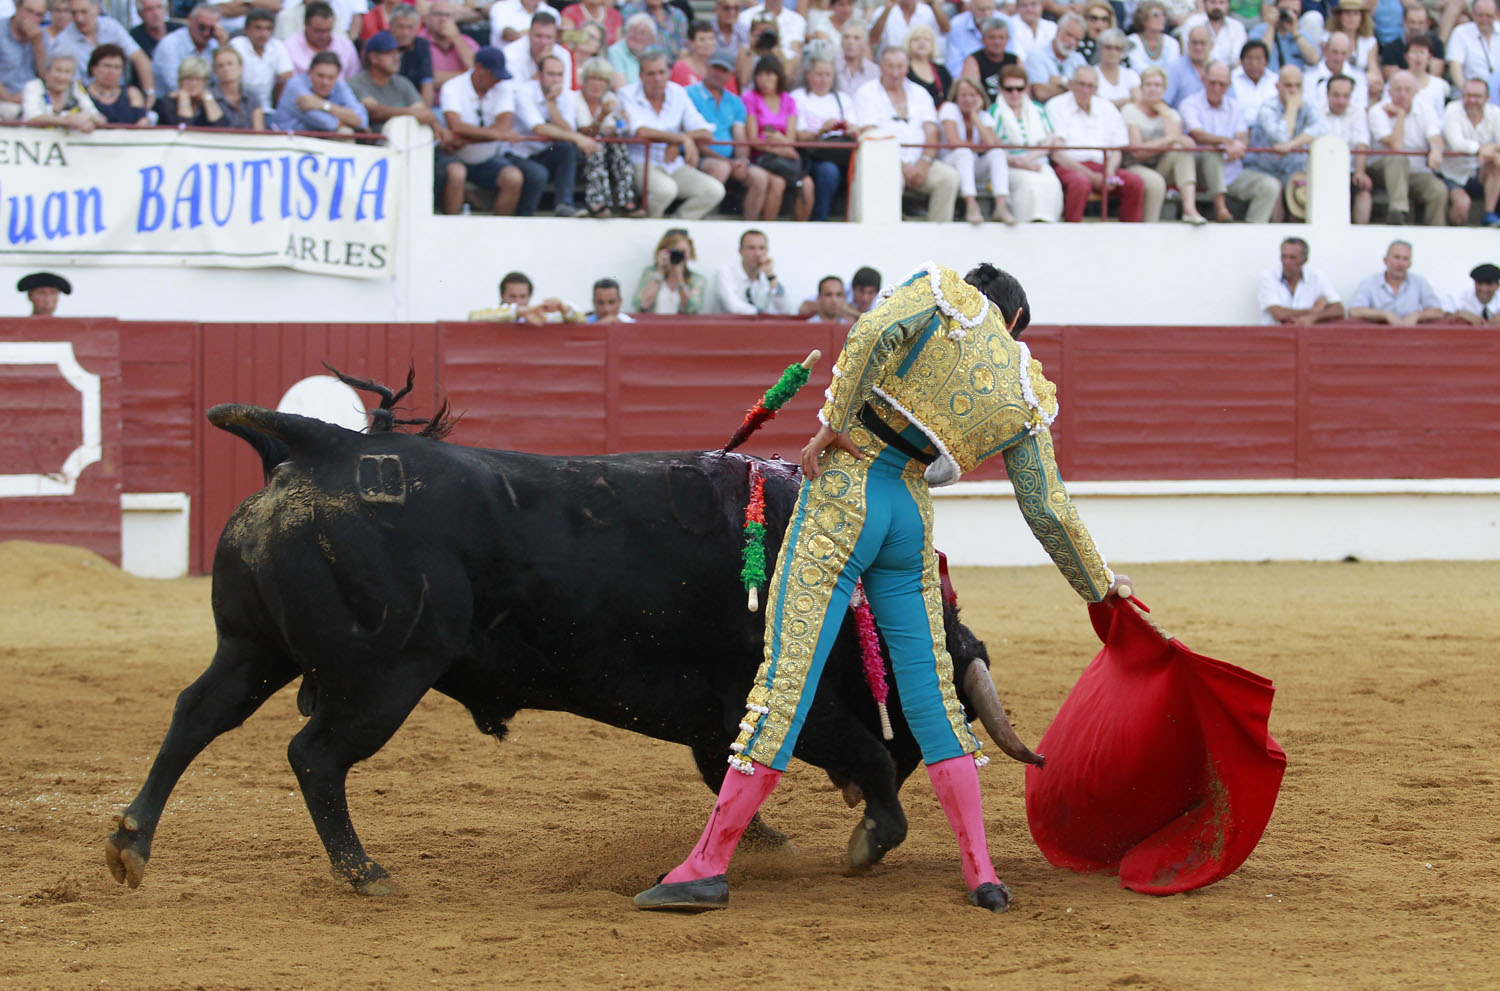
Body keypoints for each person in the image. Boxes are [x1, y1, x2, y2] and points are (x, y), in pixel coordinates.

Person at [633, 260, 1130, 914]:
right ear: (1014, 321)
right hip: (909, 515)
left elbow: (870, 332)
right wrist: (1099, 583)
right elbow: (1047, 508)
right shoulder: (1025, 387)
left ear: (977, 294)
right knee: (934, 700)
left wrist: (834, 420)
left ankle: (706, 866)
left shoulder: (941, 293)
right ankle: (981, 872)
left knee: (784, 683)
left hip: (846, 492)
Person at [856, 44, 958, 222]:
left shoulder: (920, 93)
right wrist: (902, 167)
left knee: (949, 178)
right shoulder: (866, 92)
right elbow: (869, 133)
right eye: (890, 66)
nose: (895, 73)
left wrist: (924, 163)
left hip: (920, 162)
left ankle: (940, 234)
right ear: (881, 66)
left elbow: (932, 132)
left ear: (907, 67)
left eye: (900, 67)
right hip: (884, 163)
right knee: (891, 180)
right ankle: (889, 232)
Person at [623, 48, 726, 217]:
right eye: (651, 74)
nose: (657, 78)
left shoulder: (677, 92)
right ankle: (653, 225)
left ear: (669, 73)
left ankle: (676, 225)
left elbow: (706, 132)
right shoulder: (627, 93)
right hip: (640, 162)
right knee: (665, 190)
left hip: (672, 164)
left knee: (714, 191)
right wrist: (681, 139)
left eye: (661, 72)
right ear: (641, 75)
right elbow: (641, 132)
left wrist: (679, 140)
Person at [1182, 60, 1281, 222]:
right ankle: (1221, 208)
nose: (1216, 88)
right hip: (1199, 173)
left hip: (1232, 171)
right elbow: (1197, 134)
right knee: (1210, 154)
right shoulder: (1190, 103)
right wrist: (1226, 142)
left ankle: (1254, 230)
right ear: (1204, 80)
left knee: (1270, 186)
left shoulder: (1234, 106)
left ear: (1228, 85)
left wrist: (1239, 145)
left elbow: (1242, 135)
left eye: (1222, 84)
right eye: (1212, 82)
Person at [1047, 65, 1146, 222]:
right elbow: (1057, 153)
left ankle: (1130, 233)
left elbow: (1117, 149)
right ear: (1071, 84)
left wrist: (1109, 173)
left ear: (1096, 88)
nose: (1085, 90)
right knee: (1080, 183)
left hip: (1104, 167)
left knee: (1135, 183)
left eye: (1090, 86)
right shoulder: (1056, 105)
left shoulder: (1107, 107)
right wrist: (1092, 177)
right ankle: (1071, 231)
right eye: (1081, 84)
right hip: (1070, 166)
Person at [440, 46, 527, 214]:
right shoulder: (453, 87)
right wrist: (496, 134)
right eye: (494, 75)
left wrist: (465, 140)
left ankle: (499, 226)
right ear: (479, 68)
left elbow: (503, 126)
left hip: (484, 157)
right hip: (455, 156)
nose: (497, 81)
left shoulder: (503, 87)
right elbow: (456, 125)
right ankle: (451, 225)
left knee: (513, 178)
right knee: (456, 173)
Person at [1122, 65, 1205, 222]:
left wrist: (1165, 114)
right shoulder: (1130, 110)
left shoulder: (1171, 114)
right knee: (1155, 182)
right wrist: (1168, 139)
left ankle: (1189, 209)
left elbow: (1179, 142)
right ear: (1141, 88)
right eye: (1148, 84)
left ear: (1164, 89)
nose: (1152, 89)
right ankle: (1150, 226)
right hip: (1135, 165)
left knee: (1181, 151)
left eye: (1157, 85)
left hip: (1162, 166)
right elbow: (1137, 151)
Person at [510, 52, 587, 216]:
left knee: (567, 149)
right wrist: (578, 137)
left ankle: (564, 204)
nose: (556, 79)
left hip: (546, 153)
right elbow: (539, 128)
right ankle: (524, 216)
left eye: (560, 74)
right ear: (539, 75)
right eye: (551, 74)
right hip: (520, 154)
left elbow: (567, 130)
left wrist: (551, 103)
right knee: (538, 173)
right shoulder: (524, 92)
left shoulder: (566, 94)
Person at [1367, 69, 1446, 225]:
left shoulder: (1426, 109)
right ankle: (1398, 213)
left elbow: (1435, 137)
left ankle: (1437, 230)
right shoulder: (1377, 111)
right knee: (1398, 158)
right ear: (1389, 92)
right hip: (1381, 171)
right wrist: (1401, 115)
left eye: (1407, 90)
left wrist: (1436, 151)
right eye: (1398, 89)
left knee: (1438, 189)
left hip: (1415, 172)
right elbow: (1396, 146)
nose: (1403, 94)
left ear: (1416, 92)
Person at [1243, 64, 1321, 215]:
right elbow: (1282, 136)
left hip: (1293, 169)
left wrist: (1292, 144)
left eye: (1298, 86)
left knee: (1301, 191)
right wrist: (1292, 108)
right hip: (1262, 169)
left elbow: (1321, 129)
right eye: (1288, 85)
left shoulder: (1307, 105)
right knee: (1274, 187)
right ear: (1277, 86)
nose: (1293, 90)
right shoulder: (1268, 107)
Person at [991, 62, 1064, 221]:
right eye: (1009, 89)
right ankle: (1027, 224)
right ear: (1001, 89)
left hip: (1037, 162)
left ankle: (1048, 223)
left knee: (1051, 183)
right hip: (1010, 165)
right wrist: (1019, 163)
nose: (1015, 93)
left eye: (1019, 88)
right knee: (1029, 183)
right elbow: (994, 145)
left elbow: (1048, 140)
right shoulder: (994, 112)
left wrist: (1027, 160)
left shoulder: (1038, 110)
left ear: (1026, 89)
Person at [940, 74, 1014, 223]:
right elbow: (954, 142)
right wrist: (979, 147)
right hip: (950, 164)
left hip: (972, 166)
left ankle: (1001, 206)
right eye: (963, 95)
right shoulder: (949, 109)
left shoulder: (983, 116)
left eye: (973, 95)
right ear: (956, 97)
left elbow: (990, 144)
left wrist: (974, 116)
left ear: (980, 97)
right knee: (963, 152)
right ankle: (971, 205)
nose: (968, 99)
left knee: (997, 153)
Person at [744, 53, 811, 219]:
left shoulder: (788, 100)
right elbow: (753, 139)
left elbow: (790, 138)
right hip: (760, 157)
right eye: (760, 74)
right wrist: (783, 149)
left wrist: (781, 141)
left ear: (778, 76)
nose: (763, 79)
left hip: (783, 158)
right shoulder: (750, 98)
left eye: (768, 74)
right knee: (777, 183)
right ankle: (764, 227)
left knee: (808, 185)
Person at [577, 55, 644, 216]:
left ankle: (627, 200)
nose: (597, 84)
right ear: (584, 80)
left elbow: (616, 130)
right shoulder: (575, 99)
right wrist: (602, 117)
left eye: (602, 80)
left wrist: (621, 124)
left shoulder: (611, 99)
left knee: (619, 147)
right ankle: (597, 201)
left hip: (606, 149)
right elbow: (585, 132)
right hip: (579, 151)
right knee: (597, 147)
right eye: (593, 78)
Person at [792, 50, 855, 221]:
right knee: (828, 172)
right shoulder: (798, 97)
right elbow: (798, 135)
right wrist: (821, 130)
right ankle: (820, 219)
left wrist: (850, 129)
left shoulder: (843, 99)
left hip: (839, 153)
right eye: (819, 74)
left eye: (828, 75)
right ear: (808, 75)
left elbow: (855, 127)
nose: (824, 79)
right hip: (812, 154)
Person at [352, 30, 443, 138]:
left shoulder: (403, 83)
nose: (396, 58)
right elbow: (373, 111)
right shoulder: (357, 82)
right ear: (373, 57)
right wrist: (411, 112)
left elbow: (423, 112)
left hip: (407, 142)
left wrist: (435, 125)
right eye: (389, 53)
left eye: (397, 53)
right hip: (372, 144)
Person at [1441, 77, 1500, 225]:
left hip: (1478, 173)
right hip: (1452, 175)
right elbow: (1456, 143)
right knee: (1462, 205)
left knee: (1495, 164)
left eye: (1477, 96)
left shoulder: (1494, 112)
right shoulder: (1452, 109)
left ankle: (1489, 214)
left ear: (1487, 98)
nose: (1472, 100)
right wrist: (1482, 150)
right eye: (1468, 95)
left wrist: (1491, 150)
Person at [55, 0, 152, 88]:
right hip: (87, 95)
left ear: (97, 8)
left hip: (119, 92)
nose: (79, 18)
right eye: (74, 13)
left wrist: (149, 93)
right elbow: (73, 83)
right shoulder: (63, 41)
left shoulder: (111, 27)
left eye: (84, 12)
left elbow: (140, 58)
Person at [1348, 239, 1445, 324]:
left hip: (1411, 336)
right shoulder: (1369, 283)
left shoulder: (1419, 283)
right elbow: (1354, 311)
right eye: (1396, 257)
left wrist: (1417, 316)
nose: (1400, 264)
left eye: (1405, 259)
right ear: (1385, 260)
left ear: (1410, 264)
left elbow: (1438, 312)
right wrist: (1385, 315)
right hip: (1378, 336)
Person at [1323, 73, 1375, 223]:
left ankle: (1360, 234)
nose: (1341, 100)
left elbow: (1362, 143)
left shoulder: (1358, 112)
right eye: (1336, 95)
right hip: (1321, 172)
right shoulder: (1316, 111)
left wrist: (1359, 172)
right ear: (1327, 94)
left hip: (1349, 171)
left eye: (1346, 96)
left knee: (1364, 193)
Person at [1258, 236, 1344, 324]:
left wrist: (1315, 317)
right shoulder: (1268, 277)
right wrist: (1314, 310)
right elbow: (1279, 314)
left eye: (1292, 257)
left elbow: (1339, 310)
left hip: (1306, 332)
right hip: (1275, 332)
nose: (1286, 262)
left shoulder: (1317, 277)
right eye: (1284, 256)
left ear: (1304, 260)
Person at [273, 49, 366, 130]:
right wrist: (349, 120)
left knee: (345, 132)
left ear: (337, 77)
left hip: (320, 139)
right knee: (345, 132)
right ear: (309, 73)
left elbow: (362, 120)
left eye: (331, 77)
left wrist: (324, 105)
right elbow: (327, 123)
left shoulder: (340, 86)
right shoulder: (296, 85)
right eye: (320, 76)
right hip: (289, 140)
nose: (325, 82)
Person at [715, 228, 794, 314]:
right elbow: (732, 305)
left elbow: (786, 310)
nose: (757, 253)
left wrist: (770, 276)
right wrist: (760, 313)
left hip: (763, 322)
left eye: (762, 248)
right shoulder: (726, 273)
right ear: (740, 251)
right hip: (732, 322)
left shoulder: (770, 275)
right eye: (751, 248)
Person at [151, 1, 220, 97]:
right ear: (190, 20)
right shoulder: (170, 44)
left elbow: (222, 82)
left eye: (212, 29)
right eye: (202, 27)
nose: (206, 33)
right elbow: (175, 85)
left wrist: (223, 44)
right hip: (171, 101)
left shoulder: (214, 44)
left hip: (205, 100)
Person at [230, 9, 293, 112]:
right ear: (246, 30)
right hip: (239, 108)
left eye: (268, 28)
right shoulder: (237, 45)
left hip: (266, 109)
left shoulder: (277, 46)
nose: (263, 34)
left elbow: (286, 76)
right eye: (258, 28)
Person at [468, 270, 587, 323]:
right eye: (512, 296)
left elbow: (581, 320)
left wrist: (563, 308)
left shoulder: (540, 317)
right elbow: (473, 317)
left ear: (529, 297)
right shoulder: (493, 314)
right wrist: (520, 312)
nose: (518, 301)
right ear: (502, 296)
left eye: (523, 297)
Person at [633, 227, 707, 313]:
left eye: (683, 251)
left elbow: (692, 308)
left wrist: (679, 277)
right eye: (673, 251)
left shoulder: (696, 279)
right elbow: (642, 305)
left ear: (690, 253)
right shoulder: (650, 273)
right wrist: (660, 271)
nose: (678, 255)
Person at [24, 51, 104, 128]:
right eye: (58, 70)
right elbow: (32, 117)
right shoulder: (34, 86)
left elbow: (98, 117)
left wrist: (88, 119)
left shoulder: (75, 87)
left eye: (67, 72)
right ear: (47, 72)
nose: (62, 77)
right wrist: (67, 121)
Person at [288, 1, 359, 82]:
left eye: (328, 30)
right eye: (319, 31)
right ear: (306, 25)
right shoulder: (289, 48)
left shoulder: (346, 46)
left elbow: (353, 80)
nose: (324, 36)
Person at [1303, 32, 1368, 117]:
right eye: (1334, 52)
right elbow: (1309, 109)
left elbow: (1362, 108)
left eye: (1343, 53)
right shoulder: (1309, 77)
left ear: (1349, 53)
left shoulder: (1359, 77)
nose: (1338, 58)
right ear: (1325, 50)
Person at [1026, 11, 1085, 102]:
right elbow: (1041, 93)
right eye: (1069, 35)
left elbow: (1089, 89)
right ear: (1058, 30)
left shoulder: (1078, 59)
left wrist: (1062, 81)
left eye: (1077, 40)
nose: (1072, 42)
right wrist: (1075, 87)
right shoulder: (1036, 54)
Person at [502, 9, 572, 85]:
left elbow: (565, 88)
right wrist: (541, 67)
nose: (543, 42)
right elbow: (514, 90)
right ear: (529, 34)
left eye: (548, 37)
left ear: (555, 37)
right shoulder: (510, 54)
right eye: (538, 36)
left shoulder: (563, 55)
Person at [1248, 0, 1320, 72]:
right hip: (1268, 76)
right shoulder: (1259, 30)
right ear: (1275, 9)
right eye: (1285, 10)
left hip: (1294, 78)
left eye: (1294, 12)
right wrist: (1271, 26)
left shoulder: (1301, 36)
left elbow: (1314, 60)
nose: (1289, 15)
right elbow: (1259, 57)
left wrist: (1295, 33)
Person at [960, 15, 1016, 104]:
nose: (997, 42)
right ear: (983, 39)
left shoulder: (1015, 60)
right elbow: (969, 94)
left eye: (1001, 37)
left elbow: (1024, 92)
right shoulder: (973, 61)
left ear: (1008, 39)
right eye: (992, 37)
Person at [1378, 2, 1443, 78]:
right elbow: (1391, 77)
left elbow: (1436, 74)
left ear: (1427, 23)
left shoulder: (1436, 44)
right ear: (1404, 22)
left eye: (1420, 23)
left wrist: (1401, 72)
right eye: (1412, 22)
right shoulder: (1391, 48)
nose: (1416, 27)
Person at [87, 42, 148, 123]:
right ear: (93, 68)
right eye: (107, 66)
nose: (111, 72)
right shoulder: (81, 93)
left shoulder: (131, 93)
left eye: (117, 67)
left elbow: (142, 122)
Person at [1178, 0, 1249, 69]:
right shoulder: (1192, 23)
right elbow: (1187, 52)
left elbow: (1237, 59)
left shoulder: (1237, 27)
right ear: (1204, 3)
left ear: (1228, 5)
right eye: (1212, 2)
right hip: (1196, 71)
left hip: (1229, 73)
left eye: (1221, 2)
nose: (1217, 6)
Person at [1447, 0, 1500, 91]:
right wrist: (1468, 92)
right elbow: (1455, 67)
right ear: (1473, 14)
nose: (1484, 20)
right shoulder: (1461, 32)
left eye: (1489, 16)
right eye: (1480, 15)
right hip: (1471, 93)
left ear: (1496, 14)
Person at [210, 44, 264, 128]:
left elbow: (259, 131)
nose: (226, 69)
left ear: (240, 66)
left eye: (230, 64)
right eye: (220, 66)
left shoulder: (252, 97)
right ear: (215, 71)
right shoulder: (210, 96)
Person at [870, 0, 945, 57]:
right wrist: (888, 9)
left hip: (920, 64)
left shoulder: (927, 10)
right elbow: (873, 40)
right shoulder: (882, 11)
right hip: (892, 66)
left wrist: (931, 3)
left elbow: (946, 29)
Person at [622, 0, 690, 62]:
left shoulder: (677, 15)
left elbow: (685, 46)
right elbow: (625, 42)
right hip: (641, 64)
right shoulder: (631, 11)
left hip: (673, 64)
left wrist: (677, 66)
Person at [674, 19, 730, 91]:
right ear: (691, 42)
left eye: (711, 38)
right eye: (702, 39)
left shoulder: (723, 67)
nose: (708, 43)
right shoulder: (680, 68)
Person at [1164, 23, 1211, 107]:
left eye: (1202, 43)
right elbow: (1162, 102)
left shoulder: (1219, 69)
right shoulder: (1174, 68)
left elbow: (1230, 101)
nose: (1198, 47)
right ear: (1187, 44)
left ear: (1211, 45)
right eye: (1194, 43)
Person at [945, 0, 996, 76]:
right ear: (971, 9)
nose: (987, 13)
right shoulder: (956, 24)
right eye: (982, 9)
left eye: (990, 9)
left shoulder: (1006, 23)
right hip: (967, 76)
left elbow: (1009, 58)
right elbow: (954, 64)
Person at [1127, 1, 1180, 74]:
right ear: (1143, 19)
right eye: (1156, 16)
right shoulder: (1131, 41)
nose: (1162, 19)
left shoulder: (1172, 42)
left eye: (1164, 15)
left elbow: (1172, 69)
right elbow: (1136, 67)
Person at [1231, 39, 1277, 120]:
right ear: (1241, 61)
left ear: (1266, 61)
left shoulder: (1276, 80)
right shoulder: (1231, 80)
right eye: (1250, 58)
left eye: (1258, 59)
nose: (1254, 63)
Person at [905, 23, 949, 107]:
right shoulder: (904, 69)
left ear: (932, 45)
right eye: (916, 39)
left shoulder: (941, 70)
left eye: (926, 40)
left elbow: (949, 97)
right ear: (908, 44)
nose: (921, 42)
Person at [608, 11, 657, 86]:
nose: (637, 36)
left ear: (651, 38)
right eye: (633, 31)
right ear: (626, 33)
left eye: (642, 33)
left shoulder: (651, 53)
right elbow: (620, 87)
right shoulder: (615, 52)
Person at [1093, 28, 1139, 107]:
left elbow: (1138, 101)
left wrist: (1109, 102)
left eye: (1118, 49)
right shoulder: (1091, 74)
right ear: (1100, 49)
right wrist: (1125, 101)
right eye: (1108, 47)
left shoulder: (1131, 75)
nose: (1113, 52)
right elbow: (1095, 104)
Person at [836, 19, 878, 94]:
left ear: (865, 43)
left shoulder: (874, 72)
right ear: (841, 41)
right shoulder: (832, 67)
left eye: (856, 38)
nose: (850, 42)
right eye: (846, 37)